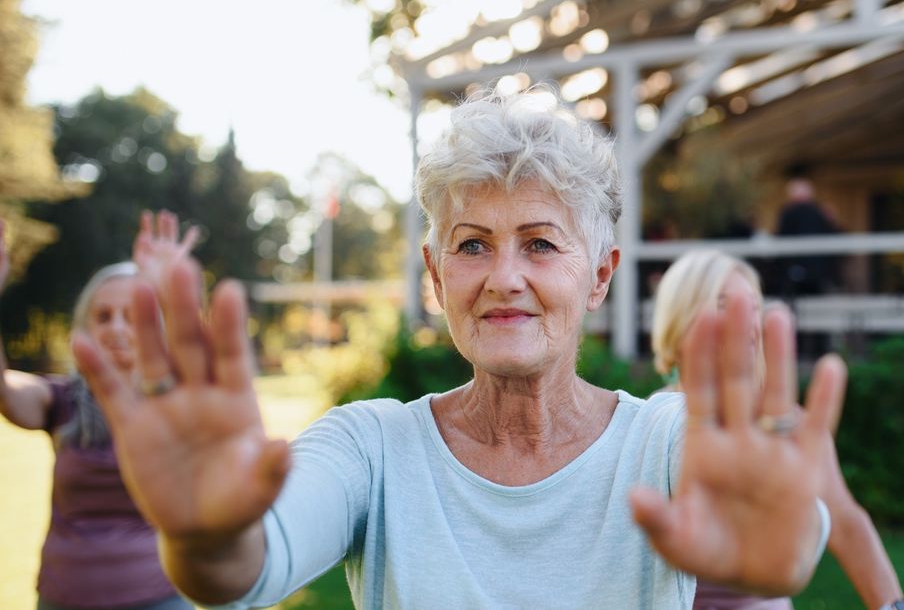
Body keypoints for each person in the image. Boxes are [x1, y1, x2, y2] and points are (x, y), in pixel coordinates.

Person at [71, 87, 852, 609]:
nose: (503, 277)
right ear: (436, 277)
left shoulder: (666, 440)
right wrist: (202, 534)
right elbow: (243, 564)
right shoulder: (370, 444)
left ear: (600, 276)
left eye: (541, 244)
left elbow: (777, 528)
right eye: (472, 245)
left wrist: (784, 538)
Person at [652, 250, 904, 610]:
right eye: (724, 304)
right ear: (680, 321)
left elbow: (847, 524)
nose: (750, 322)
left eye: (754, 307)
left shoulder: (786, 426)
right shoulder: (645, 424)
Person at [0, 211, 198, 610]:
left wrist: (172, 296)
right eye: (103, 316)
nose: (118, 328)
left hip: (159, 596)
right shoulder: (61, 399)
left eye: (134, 316)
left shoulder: (175, 401)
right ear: (84, 329)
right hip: (64, 596)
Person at [774, 177, 840, 297]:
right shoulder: (819, 212)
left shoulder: (789, 213)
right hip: (818, 272)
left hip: (795, 270)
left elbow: (781, 238)